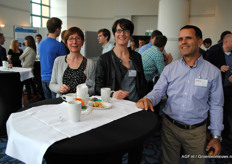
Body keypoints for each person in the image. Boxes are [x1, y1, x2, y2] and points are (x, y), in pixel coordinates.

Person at [136, 25, 224, 164]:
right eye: (180, 39)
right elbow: (158, 91)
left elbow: (216, 105)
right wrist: (148, 99)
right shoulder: (170, 69)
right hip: (169, 128)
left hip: (196, 132)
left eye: (188, 38)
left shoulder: (213, 72)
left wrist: (216, 136)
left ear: (200, 42)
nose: (183, 42)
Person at [95, 18, 148, 164]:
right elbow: (97, 88)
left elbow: (141, 82)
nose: (122, 34)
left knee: (136, 148)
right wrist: (113, 93)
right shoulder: (104, 59)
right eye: (118, 30)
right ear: (114, 34)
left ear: (130, 34)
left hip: (135, 109)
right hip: (115, 110)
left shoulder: (137, 57)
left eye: (126, 31)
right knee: (115, 150)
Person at [49, 27, 96, 97]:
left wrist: (83, 91)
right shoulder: (58, 61)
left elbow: (93, 87)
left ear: (83, 42)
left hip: (81, 103)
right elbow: (52, 84)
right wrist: (59, 88)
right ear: (66, 42)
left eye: (78, 38)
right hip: (62, 103)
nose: (74, 42)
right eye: (71, 38)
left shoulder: (90, 63)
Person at [206, 34, 232, 141]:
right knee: (212, 109)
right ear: (226, 42)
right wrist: (219, 68)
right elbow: (206, 67)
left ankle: (228, 131)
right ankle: (208, 131)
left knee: (229, 110)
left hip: (229, 87)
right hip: (215, 87)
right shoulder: (214, 51)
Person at [39, 17, 67, 99]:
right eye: (61, 28)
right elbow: (64, 64)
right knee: (57, 104)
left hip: (43, 78)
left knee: (48, 103)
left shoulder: (41, 43)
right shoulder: (59, 45)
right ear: (57, 29)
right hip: (55, 80)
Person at [19, 36, 38, 101]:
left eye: (25, 40)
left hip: (26, 68)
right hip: (30, 68)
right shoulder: (33, 49)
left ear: (28, 41)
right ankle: (34, 94)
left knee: (27, 84)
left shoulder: (28, 49)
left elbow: (20, 57)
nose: (24, 42)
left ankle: (29, 97)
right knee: (31, 83)